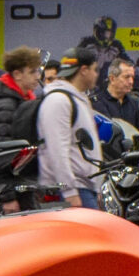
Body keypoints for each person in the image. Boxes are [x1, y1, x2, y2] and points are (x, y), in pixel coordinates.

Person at [38, 45, 104, 206]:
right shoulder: (59, 101)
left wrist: (97, 188)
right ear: (84, 70)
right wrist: (69, 192)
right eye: (94, 69)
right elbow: (56, 150)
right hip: (73, 191)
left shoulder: (78, 99)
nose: (96, 75)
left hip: (85, 189)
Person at [94, 56, 139, 127]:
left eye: (132, 77)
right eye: (127, 77)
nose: (131, 82)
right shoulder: (97, 103)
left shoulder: (135, 103)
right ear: (112, 79)